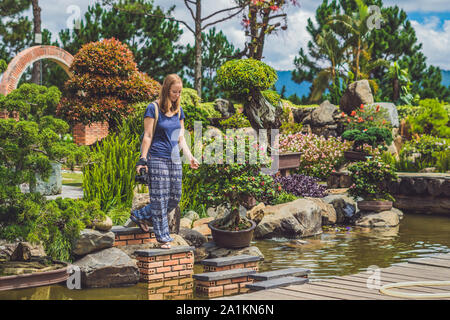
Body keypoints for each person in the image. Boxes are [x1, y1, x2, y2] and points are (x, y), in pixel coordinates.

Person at [131, 74, 199, 249]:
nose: (177, 95)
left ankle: (139, 215)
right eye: (174, 91)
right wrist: (143, 159)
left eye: (179, 92)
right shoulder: (152, 108)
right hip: (157, 157)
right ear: (166, 89)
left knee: (174, 198)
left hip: (175, 158)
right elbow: (147, 136)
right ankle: (163, 237)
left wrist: (190, 156)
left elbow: (181, 137)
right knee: (160, 199)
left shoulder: (179, 111)